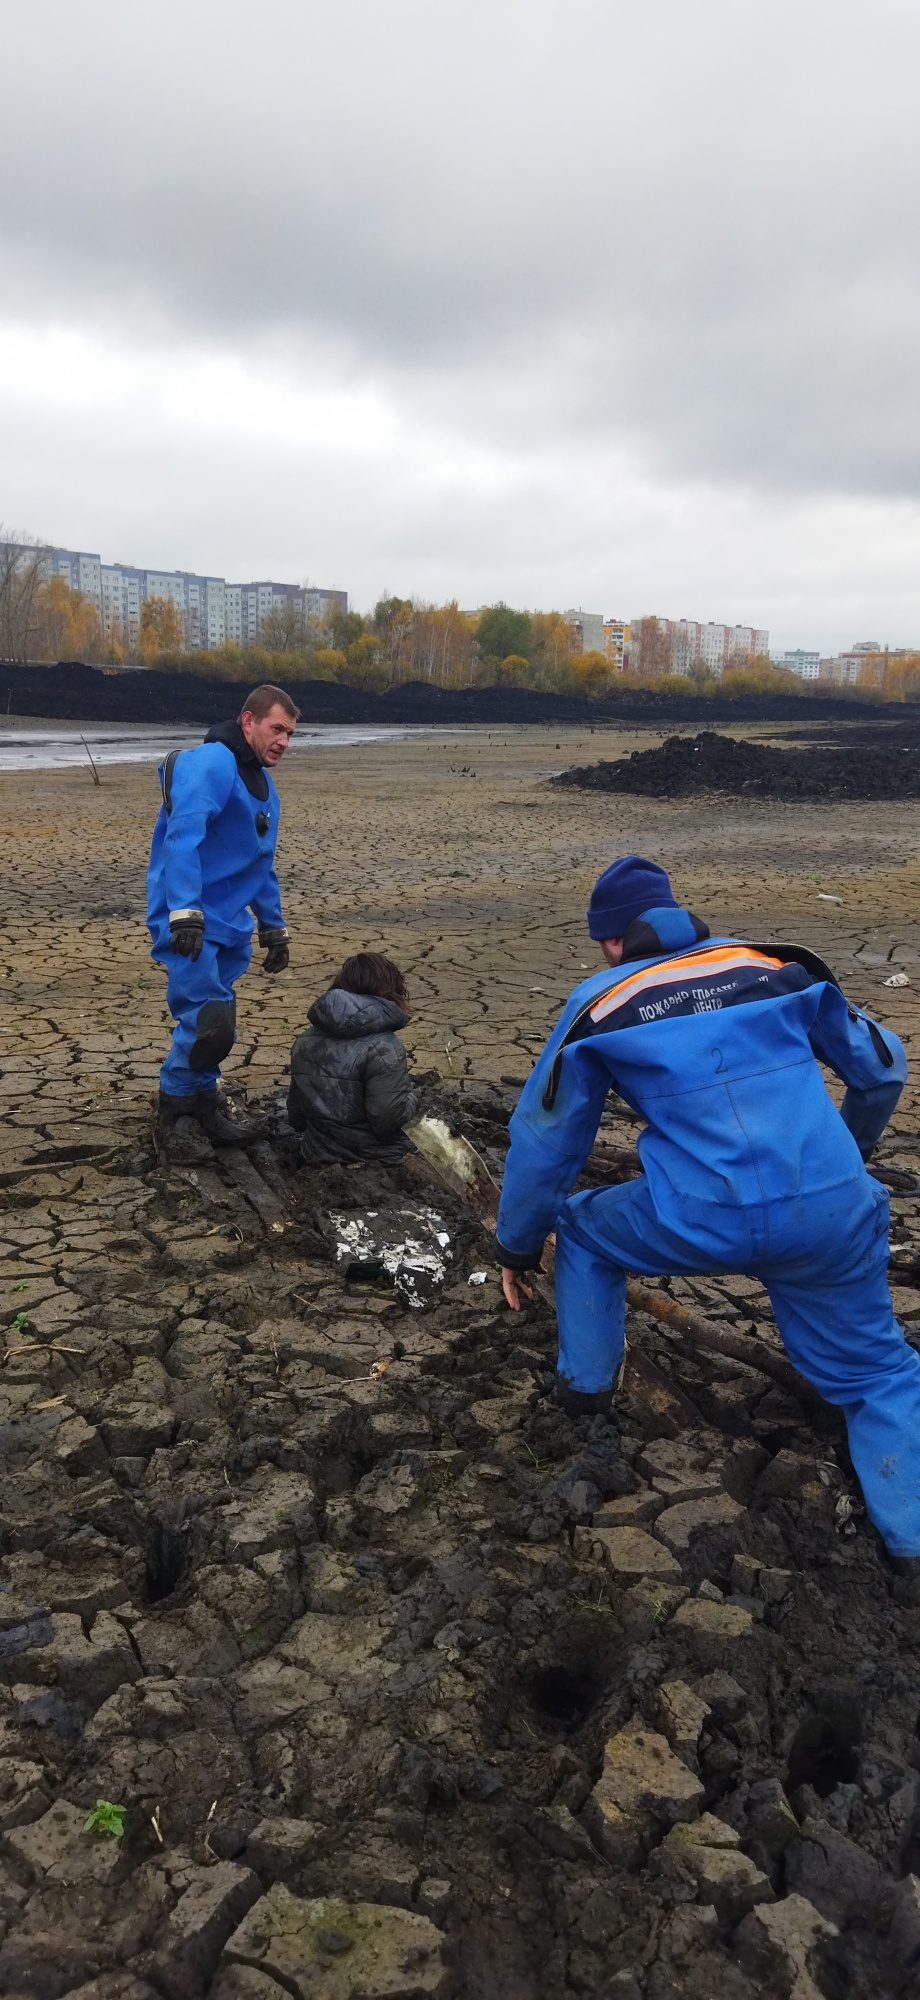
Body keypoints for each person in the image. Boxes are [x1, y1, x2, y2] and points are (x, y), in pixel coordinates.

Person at [496, 853, 920, 1585]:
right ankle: (910, 1544)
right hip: (832, 1211)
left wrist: (517, 1243)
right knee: (878, 1372)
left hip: (700, 1217)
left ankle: (586, 1400)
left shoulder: (602, 1001)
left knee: (585, 1228)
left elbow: (547, 1141)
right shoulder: (780, 967)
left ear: (612, 939)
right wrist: (847, 1156)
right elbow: (883, 1068)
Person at [147, 683, 297, 1145]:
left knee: (219, 1021)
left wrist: (273, 926)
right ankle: (175, 1111)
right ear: (248, 721)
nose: (284, 741)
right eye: (277, 729)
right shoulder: (213, 762)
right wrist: (184, 911)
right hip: (192, 921)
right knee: (206, 1020)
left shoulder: (264, 788)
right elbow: (183, 835)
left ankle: (204, 1104)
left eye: (290, 734)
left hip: (228, 924)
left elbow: (259, 862)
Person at [287, 952, 417, 1164]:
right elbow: (387, 1120)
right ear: (390, 991)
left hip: (316, 1157)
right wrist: (413, 1101)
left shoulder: (304, 1040)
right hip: (379, 1161)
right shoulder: (384, 1048)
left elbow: (296, 1118)